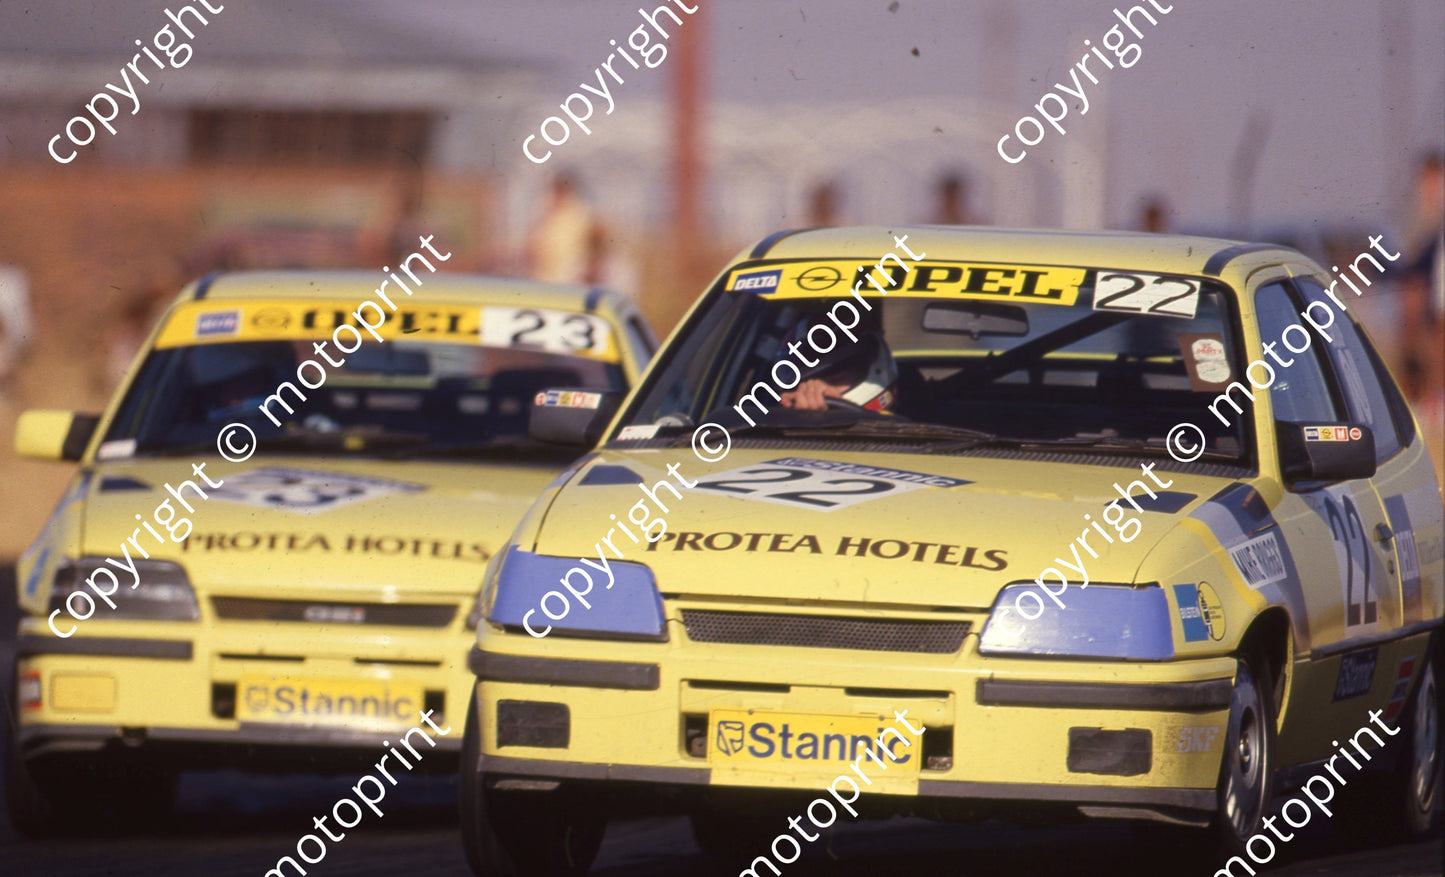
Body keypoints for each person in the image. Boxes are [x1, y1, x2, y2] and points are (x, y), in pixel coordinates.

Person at [776, 315, 898, 412]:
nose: (813, 390)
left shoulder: (911, 431)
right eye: (803, 384)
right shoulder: (770, 437)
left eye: (834, 380)